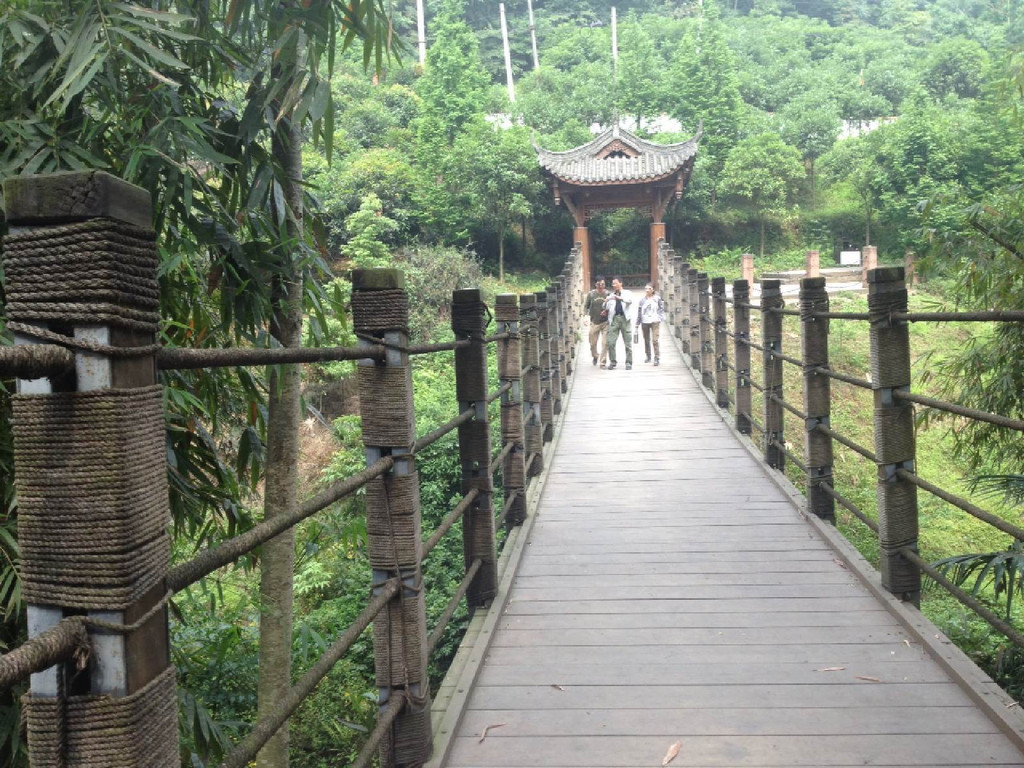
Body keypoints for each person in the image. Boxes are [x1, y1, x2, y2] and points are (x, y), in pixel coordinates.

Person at [603, 277, 635, 370]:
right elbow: (606, 307)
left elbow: (629, 301)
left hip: (625, 319)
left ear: (621, 283)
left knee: (628, 343)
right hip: (614, 319)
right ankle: (613, 361)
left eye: (616, 283)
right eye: (613, 284)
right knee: (611, 342)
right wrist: (605, 303)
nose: (614, 285)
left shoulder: (627, 293)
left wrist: (619, 298)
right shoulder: (611, 295)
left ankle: (629, 362)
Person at [635, 283, 665, 365]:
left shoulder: (657, 298)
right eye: (646, 289)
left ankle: (657, 357)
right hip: (645, 321)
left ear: (653, 290)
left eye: (649, 288)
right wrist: (637, 323)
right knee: (646, 339)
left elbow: (661, 308)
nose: (647, 290)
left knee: (655, 340)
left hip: (655, 320)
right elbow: (639, 312)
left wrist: (660, 317)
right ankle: (648, 355)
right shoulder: (642, 300)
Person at [583, 277, 609, 367]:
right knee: (592, 343)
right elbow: (586, 306)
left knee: (605, 343)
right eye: (599, 284)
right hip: (594, 322)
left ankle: (603, 362)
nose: (601, 286)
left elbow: (611, 307)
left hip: (605, 322)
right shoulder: (591, 294)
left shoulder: (607, 294)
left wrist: (607, 311)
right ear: (595, 284)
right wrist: (585, 317)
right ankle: (595, 356)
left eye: (603, 284)